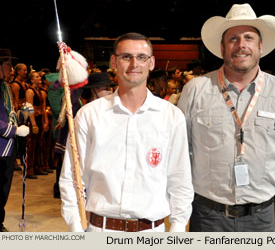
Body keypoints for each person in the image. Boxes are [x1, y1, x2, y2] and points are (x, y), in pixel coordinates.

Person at [177, 3, 275, 232]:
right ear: (222, 48)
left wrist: (261, 181)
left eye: (249, 38)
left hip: (261, 216)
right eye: (233, 39)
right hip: (207, 216)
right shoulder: (196, 89)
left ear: (261, 46)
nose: (241, 45)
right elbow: (181, 150)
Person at [60, 32, 193, 232]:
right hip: (100, 231)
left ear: (151, 63)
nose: (134, 64)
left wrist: (178, 226)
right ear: (114, 62)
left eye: (141, 57)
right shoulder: (89, 115)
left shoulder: (171, 117)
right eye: (126, 57)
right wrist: (75, 227)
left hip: (152, 232)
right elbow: (72, 176)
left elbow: (180, 178)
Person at [1, 55, 29, 232]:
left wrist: (22, 115)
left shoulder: (5, 87)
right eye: (8, 64)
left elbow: (8, 114)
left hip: (7, 145)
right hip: (2, 144)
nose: (11, 69)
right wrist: (15, 131)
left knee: (4, 188)